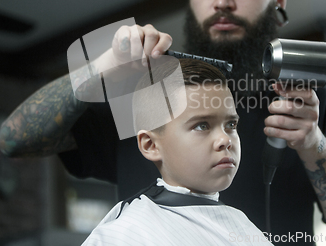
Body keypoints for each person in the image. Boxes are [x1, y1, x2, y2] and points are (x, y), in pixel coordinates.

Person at [0, 0, 326, 245]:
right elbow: (14, 140)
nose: (222, 1)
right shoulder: (147, 94)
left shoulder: (312, 105)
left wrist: (312, 142)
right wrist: (101, 67)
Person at [81, 58, 273, 245]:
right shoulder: (124, 235)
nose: (225, 140)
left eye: (231, 124)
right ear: (151, 145)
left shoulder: (244, 227)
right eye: (202, 126)